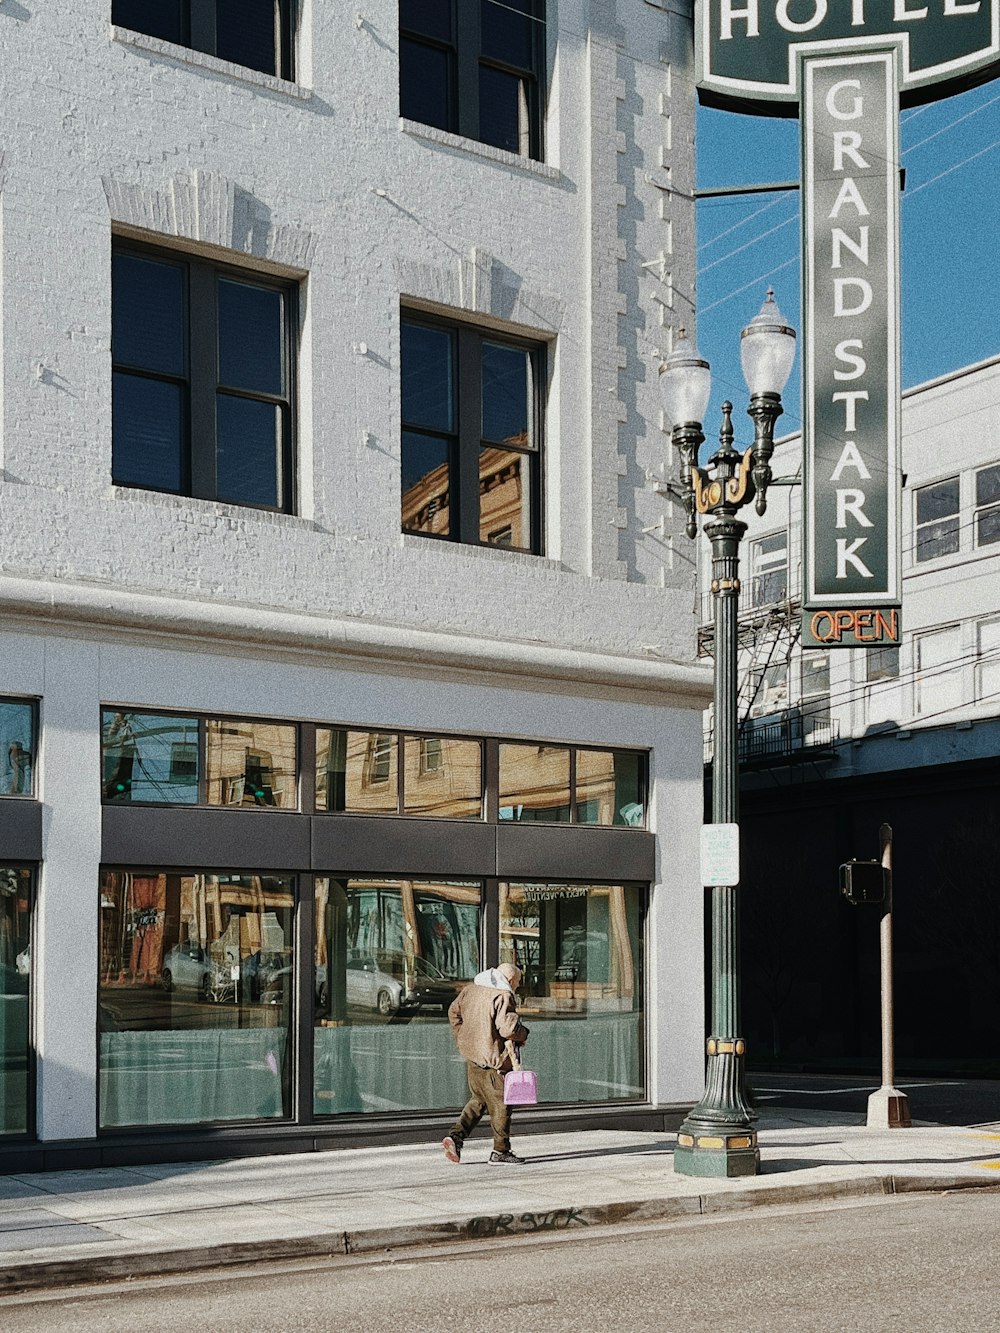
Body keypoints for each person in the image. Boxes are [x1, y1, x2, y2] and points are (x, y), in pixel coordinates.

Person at [442, 961, 529, 1166]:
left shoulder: (471, 990)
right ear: (508, 980)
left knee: (478, 1101)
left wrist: (462, 1037)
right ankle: (500, 1151)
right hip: (494, 1062)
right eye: (517, 982)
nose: (516, 987)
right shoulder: (502, 995)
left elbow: (453, 1012)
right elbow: (508, 1029)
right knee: (502, 1105)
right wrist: (524, 1033)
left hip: (473, 1058)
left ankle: (456, 1137)